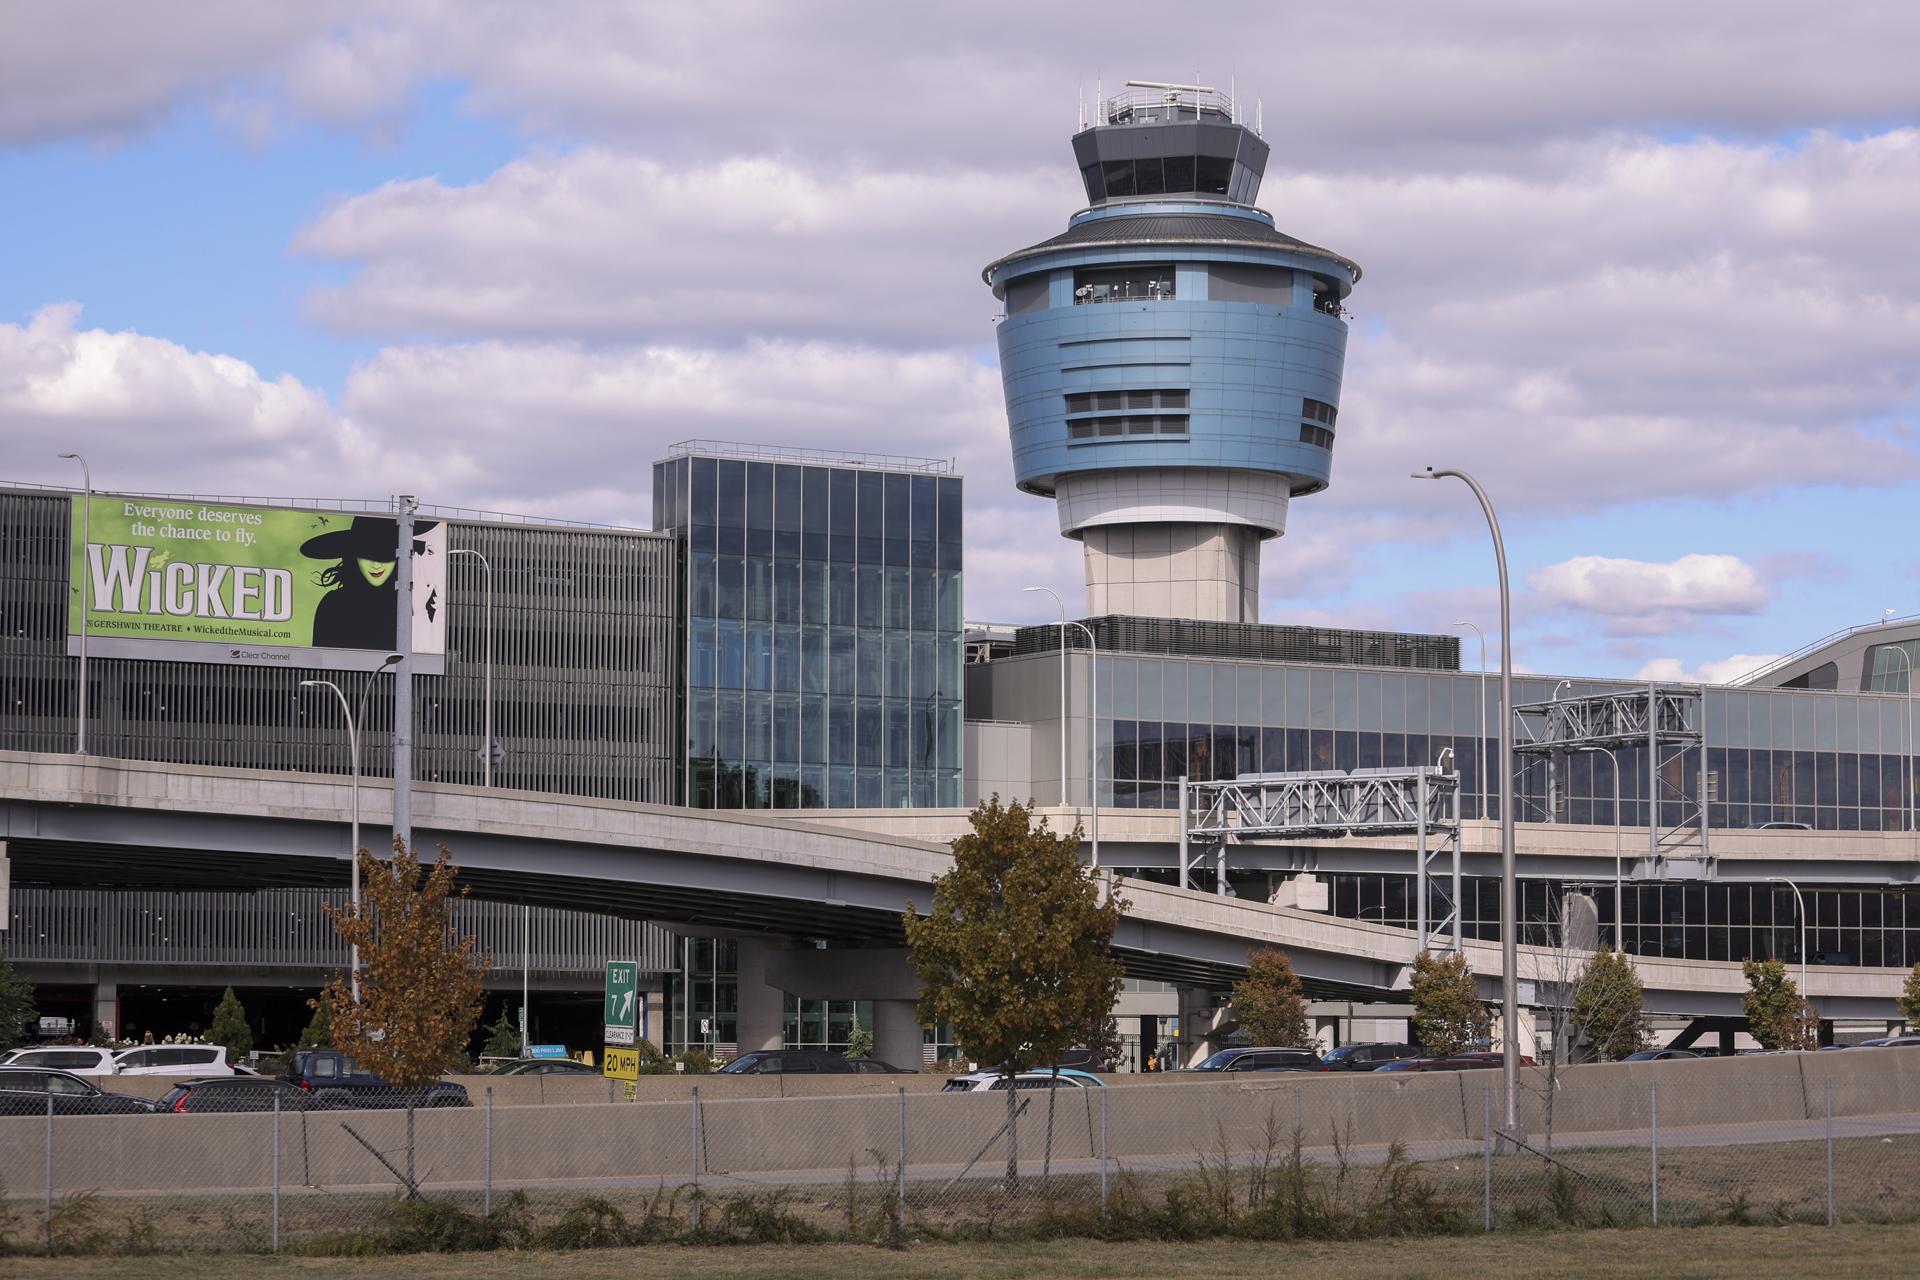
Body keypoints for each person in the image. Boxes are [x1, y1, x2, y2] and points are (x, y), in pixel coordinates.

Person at [299, 515, 438, 651]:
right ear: (353, 557)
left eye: (385, 555)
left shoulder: (417, 601)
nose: (376, 565)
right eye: (368, 555)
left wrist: (419, 611)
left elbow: (427, 657)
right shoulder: (334, 604)